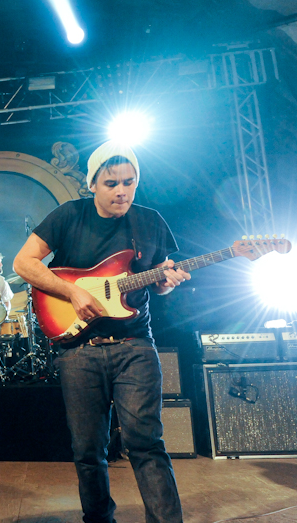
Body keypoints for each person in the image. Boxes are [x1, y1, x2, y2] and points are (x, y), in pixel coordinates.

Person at [13, 140, 189, 523]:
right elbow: (24, 263)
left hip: (136, 344)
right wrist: (71, 290)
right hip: (79, 349)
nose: (121, 191)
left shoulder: (150, 221)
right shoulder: (67, 216)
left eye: (129, 182)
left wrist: (167, 282)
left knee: (147, 443)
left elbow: (158, 278)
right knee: (88, 450)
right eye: (111, 183)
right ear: (92, 183)